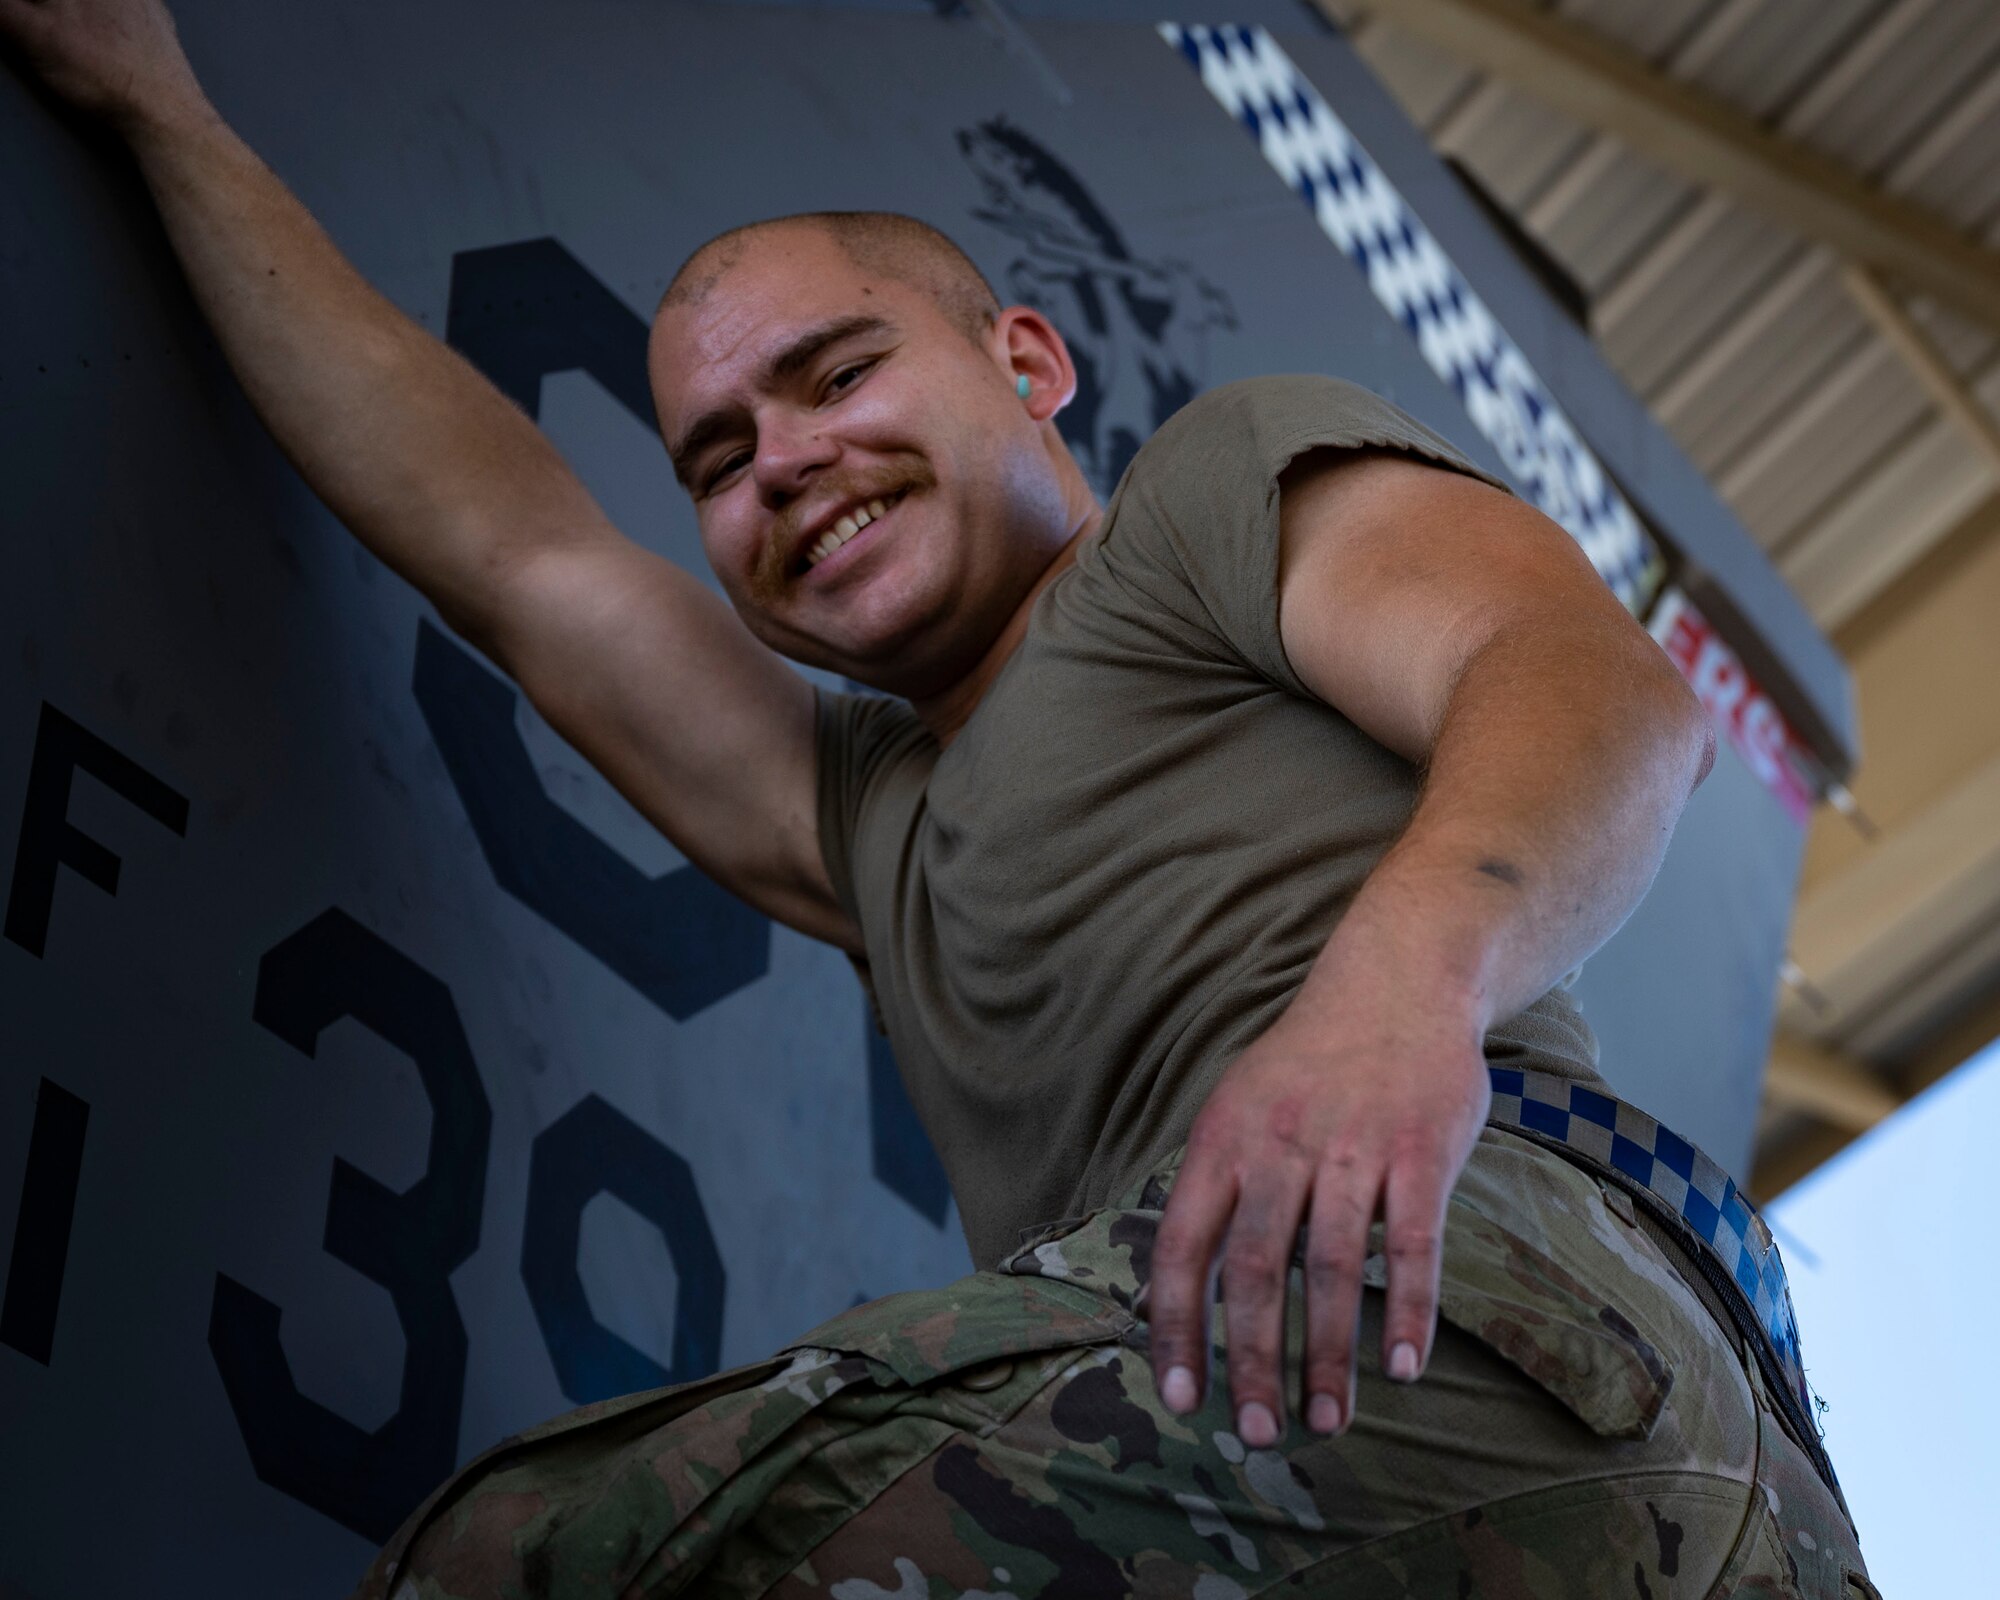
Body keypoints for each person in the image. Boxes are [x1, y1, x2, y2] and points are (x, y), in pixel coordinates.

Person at [1, 1, 1875, 1594]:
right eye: (721, 458)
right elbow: (513, 549)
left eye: (836, 374)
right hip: (1527, 1490)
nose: (789, 464)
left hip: (1483, 1301)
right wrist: (161, 107)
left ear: (1028, 364)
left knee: (547, 1558)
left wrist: (1406, 984)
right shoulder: (865, 824)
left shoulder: (1201, 517)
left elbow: (1592, 690)